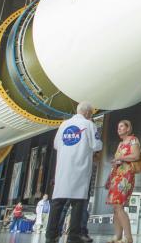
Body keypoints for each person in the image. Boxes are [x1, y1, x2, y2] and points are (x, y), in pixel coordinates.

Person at [45, 102, 102, 243]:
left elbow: (56, 144)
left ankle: (51, 235)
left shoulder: (64, 125)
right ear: (88, 113)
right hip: (80, 168)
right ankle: (74, 235)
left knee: (57, 202)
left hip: (63, 169)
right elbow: (97, 145)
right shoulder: (89, 125)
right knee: (78, 203)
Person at [106, 120, 141, 243]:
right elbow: (118, 160)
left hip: (126, 176)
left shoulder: (133, 140)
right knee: (115, 207)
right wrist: (111, 174)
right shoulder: (120, 144)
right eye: (118, 127)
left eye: (121, 126)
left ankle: (128, 237)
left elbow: (136, 156)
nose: (119, 129)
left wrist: (121, 157)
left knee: (119, 206)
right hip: (116, 176)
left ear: (128, 128)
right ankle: (117, 236)